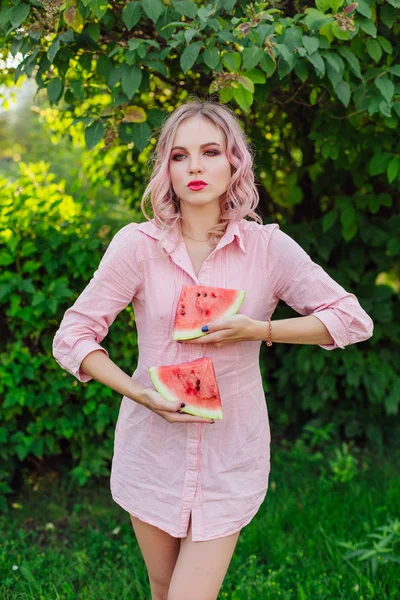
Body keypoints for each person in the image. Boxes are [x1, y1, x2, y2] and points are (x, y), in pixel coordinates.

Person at [52, 98, 374, 600]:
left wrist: (257, 330)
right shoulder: (137, 246)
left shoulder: (268, 249)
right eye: (179, 156)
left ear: (234, 163)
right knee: (162, 588)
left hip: (230, 458)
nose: (195, 166)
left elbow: (352, 319)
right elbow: (72, 337)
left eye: (210, 151)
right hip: (150, 455)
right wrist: (141, 394)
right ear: (166, 168)